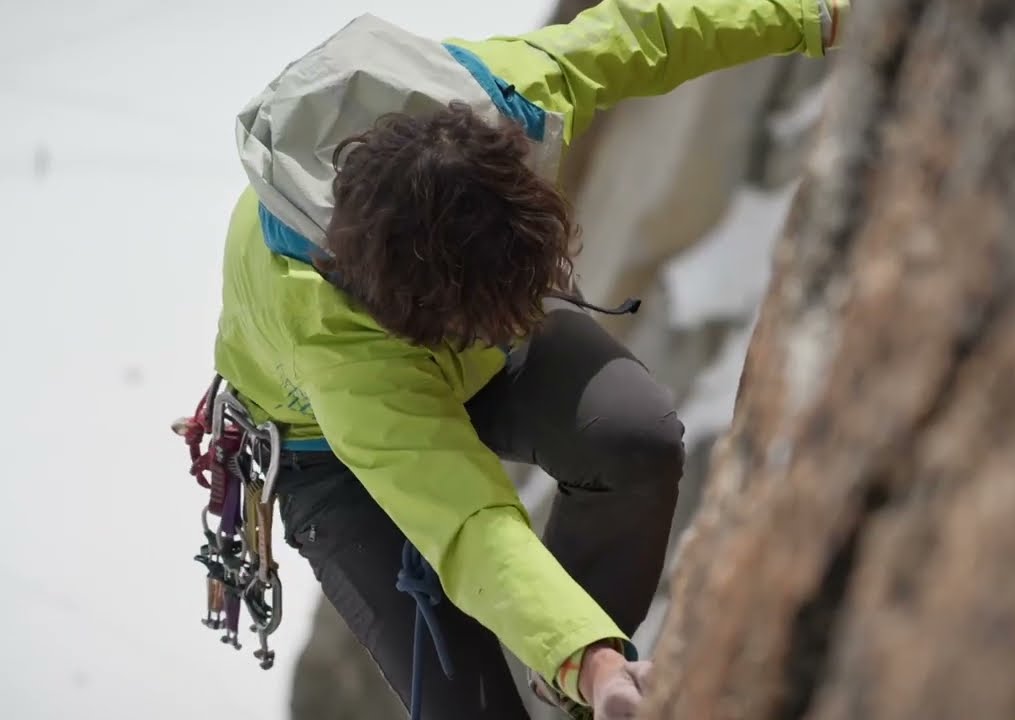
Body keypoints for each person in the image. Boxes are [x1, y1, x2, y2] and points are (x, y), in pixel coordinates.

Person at [213, 1, 844, 717]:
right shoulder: (330, 328)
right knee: (468, 705)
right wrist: (591, 657)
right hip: (325, 449)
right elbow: (469, 520)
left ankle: (574, 694)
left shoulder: (502, 99)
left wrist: (812, 16)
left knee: (631, 440)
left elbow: (650, 34)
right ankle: (585, 671)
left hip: (475, 345)